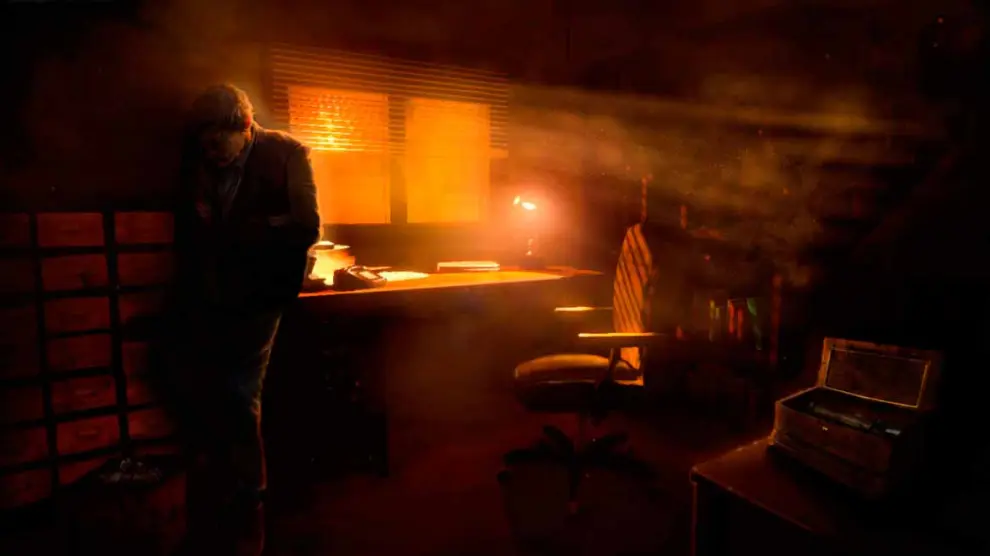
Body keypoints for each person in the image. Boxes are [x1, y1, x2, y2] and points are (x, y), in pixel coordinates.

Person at [169, 83, 320, 555]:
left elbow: (307, 225)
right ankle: (228, 489)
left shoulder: (287, 153)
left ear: (247, 126)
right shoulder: (202, 161)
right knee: (212, 387)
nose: (212, 154)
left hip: (262, 289)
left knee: (239, 390)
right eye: (205, 145)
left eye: (220, 143)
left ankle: (250, 496)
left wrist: (249, 230)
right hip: (213, 291)